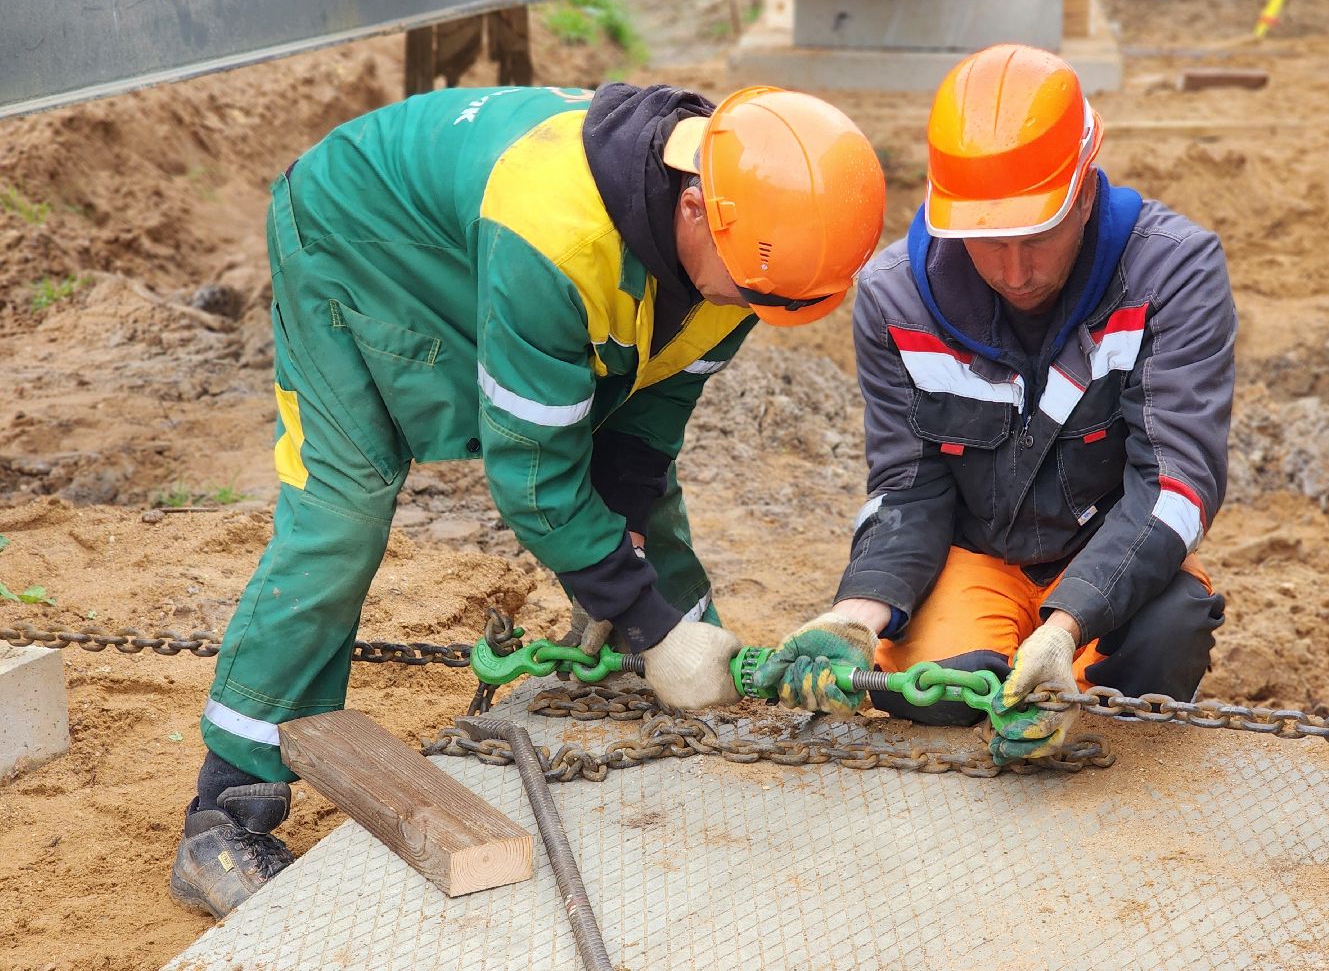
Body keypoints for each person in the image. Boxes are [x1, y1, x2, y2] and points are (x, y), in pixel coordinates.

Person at [170, 82, 886, 918]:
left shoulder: (755, 253)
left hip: (473, 234)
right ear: (694, 208)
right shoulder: (558, 231)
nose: (754, 311)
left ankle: (673, 660)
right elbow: (534, 476)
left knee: (644, 501)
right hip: (356, 229)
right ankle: (227, 808)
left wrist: (637, 603)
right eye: (751, 292)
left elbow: (642, 433)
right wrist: (652, 627)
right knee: (345, 511)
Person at [758, 44, 1234, 764]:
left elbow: (1175, 486)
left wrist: (1070, 624)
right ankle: (972, 655)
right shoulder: (897, 298)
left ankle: (1072, 677)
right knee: (944, 695)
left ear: (1082, 189)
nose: (1015, 272)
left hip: (1102, 556)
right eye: (987, 241)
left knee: (1166, 640)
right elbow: (906, 488)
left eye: (1036, 235)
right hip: (973, 556)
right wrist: (856, 614)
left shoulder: (1173, 273)